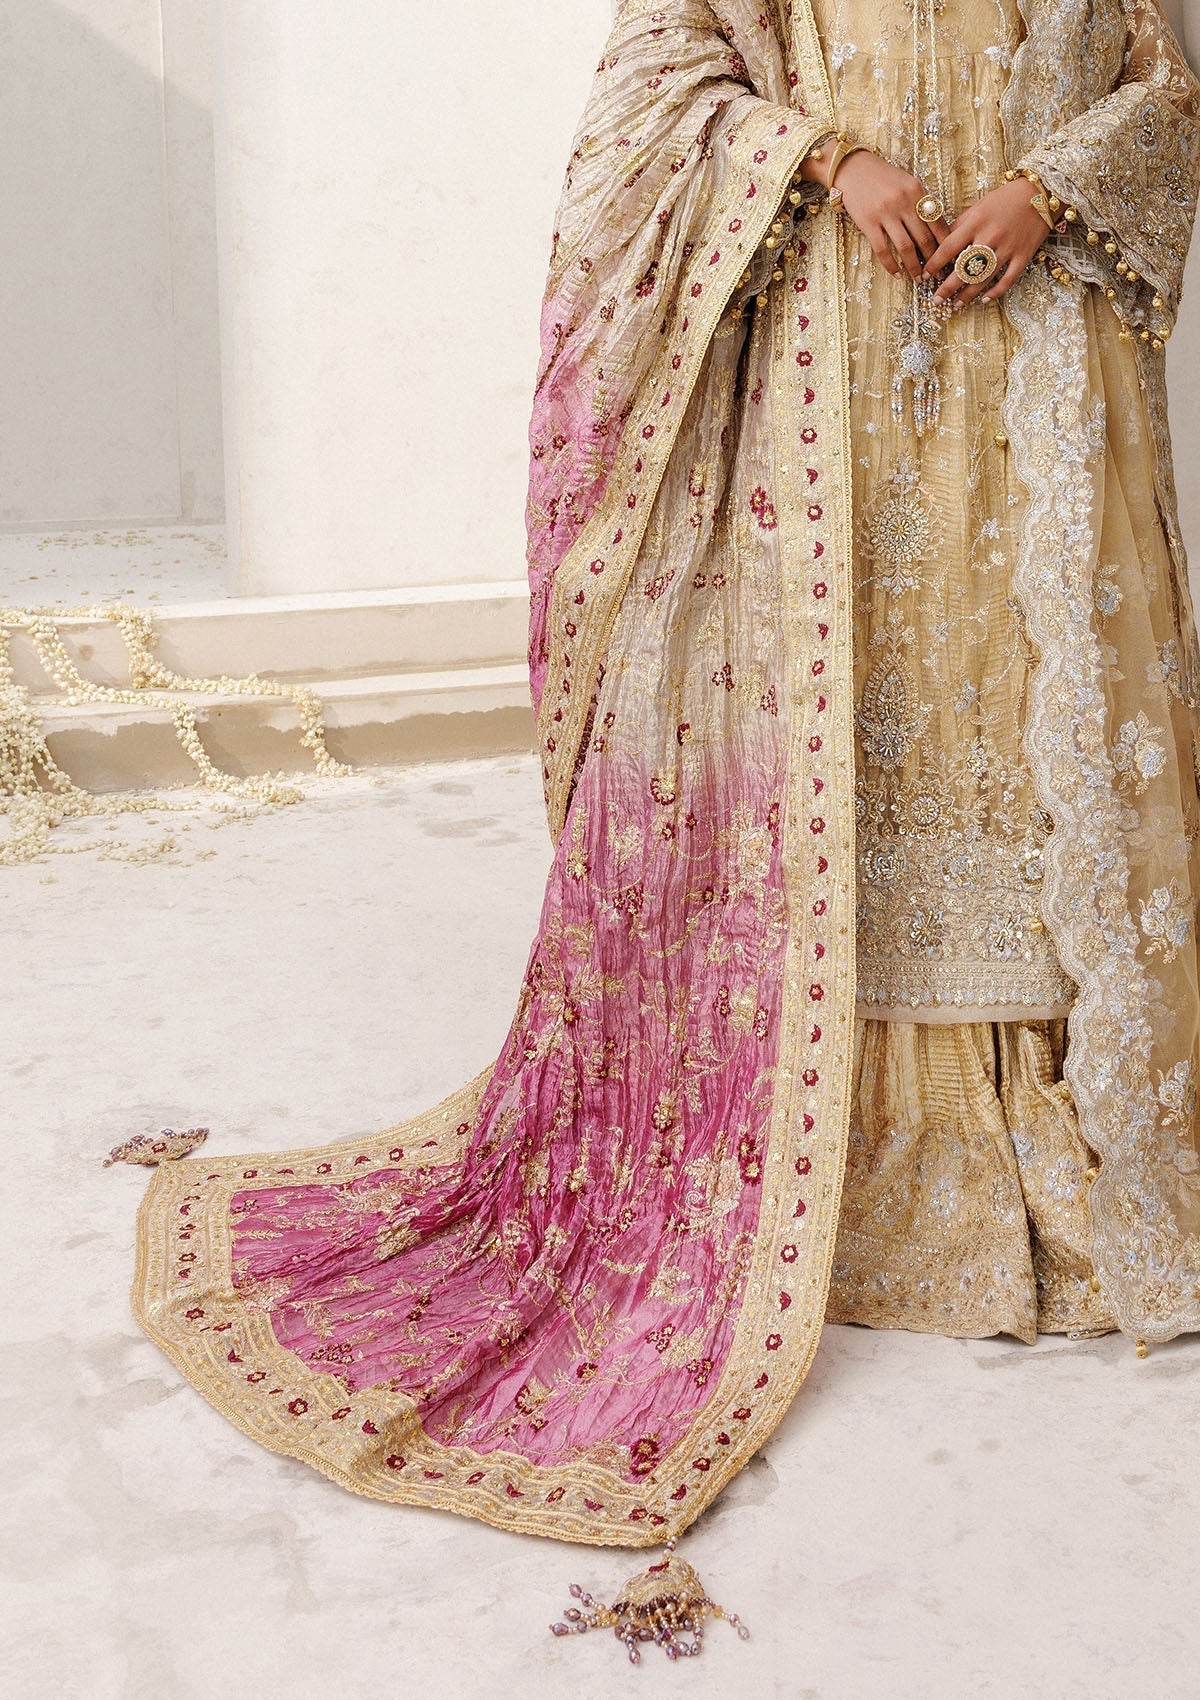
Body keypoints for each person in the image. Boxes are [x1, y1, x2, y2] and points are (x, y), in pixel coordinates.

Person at [131, 0, 1200, 1659]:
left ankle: (1049, 1132)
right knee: (873, 728)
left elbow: (1162, 84)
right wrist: (827, 161)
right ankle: (845, 1145)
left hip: (1044, 363)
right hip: (832, 366)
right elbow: (661, 74)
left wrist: (1044, 189)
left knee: (1018, 717)